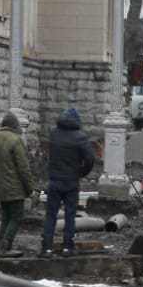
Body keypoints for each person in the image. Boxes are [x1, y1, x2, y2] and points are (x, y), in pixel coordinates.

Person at [40, 108, 96, 257]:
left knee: (51, 215)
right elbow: (90, 159)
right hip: (71, 181)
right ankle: (67, 247)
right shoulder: (80, 137)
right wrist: (81, 172)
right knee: (70, 215)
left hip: (54, 180)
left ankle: (46, 248)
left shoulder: (54, 133)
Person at [0, 111, 35, 258]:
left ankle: (1, 244)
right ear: (15, 126)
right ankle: (6, 246)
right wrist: (30, 189)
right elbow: (23, 168)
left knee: (6, 216)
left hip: (0, 186)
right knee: (17, 216)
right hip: (15, 187)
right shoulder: (16, 140)